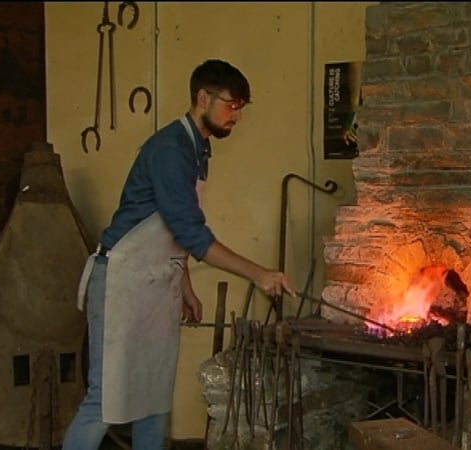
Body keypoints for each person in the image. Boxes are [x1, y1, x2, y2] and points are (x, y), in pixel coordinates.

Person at [62, 59, 296, 450]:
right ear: (203, 97)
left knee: (154, 398)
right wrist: (257, 273)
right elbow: (192, 234)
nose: (235, 116)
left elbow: (175, 225)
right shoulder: (171, 150)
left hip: (156, 281)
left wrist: (183, 284)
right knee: (106, 399)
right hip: (123, 280)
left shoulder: (197, 149)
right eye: (231, 105)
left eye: (241, 108)